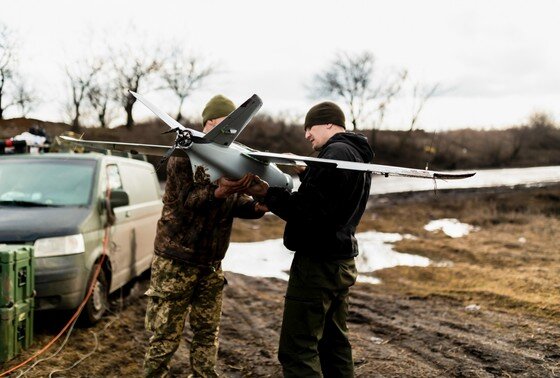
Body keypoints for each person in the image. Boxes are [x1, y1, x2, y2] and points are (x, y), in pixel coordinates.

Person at [244, 101, 374, 377]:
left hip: (317, 265)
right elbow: (331, 203)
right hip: (340, 260)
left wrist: (267, 193)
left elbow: (306, 212)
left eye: (309, 127)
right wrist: (307, 172)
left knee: (297, 349)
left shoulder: (334, 153)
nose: (306, 135)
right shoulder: (356, 154)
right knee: (334, 345)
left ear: (328, 124)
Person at [143, 95, 265, 377]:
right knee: (164, 336)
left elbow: (233, 204)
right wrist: (222, 190)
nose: (231, 132)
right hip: (176, 261)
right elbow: (188, 201)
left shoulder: (231, 156)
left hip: (210, 265)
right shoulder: (183, 156)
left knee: (207, 333)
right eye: (224, 124)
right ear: (208, 124)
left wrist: (257, 206)